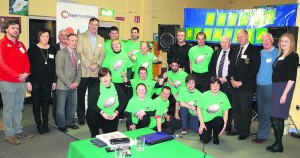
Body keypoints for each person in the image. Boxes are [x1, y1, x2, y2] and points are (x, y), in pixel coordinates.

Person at [0, 20, 33, 145]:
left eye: (17, 28)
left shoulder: (21, 45)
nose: (15, 30)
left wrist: (26, 73)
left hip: (21, 82)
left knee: (19, 108)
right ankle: (9, 134)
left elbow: (26, 61)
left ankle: (18, 130)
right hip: (7, 82)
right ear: (6, 29)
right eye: (13, 27)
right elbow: (2, 64)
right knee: (9, 109)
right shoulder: (1, 44)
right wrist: (17, 75)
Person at [266, 33, 299, 152]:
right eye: (282, 41)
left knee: (276, 116)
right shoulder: (281, 55)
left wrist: (284, 94)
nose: (283, 43)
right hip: (276, 87)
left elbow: (292, 77)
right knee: (276, 116)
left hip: (284, 88)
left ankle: (278, 144)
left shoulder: (293, 56)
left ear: (291, 43)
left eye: (286, 41)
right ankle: (277, 143)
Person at [228, 29, 261, 140]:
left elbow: (254, 69)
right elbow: (231, 66)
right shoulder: (236, 49)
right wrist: (232, 79)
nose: (239, 39)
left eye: (241, 36)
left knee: (245, 110)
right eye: (237, 37)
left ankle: (245, 131)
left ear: (247, 36)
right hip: (234, 85)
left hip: (246, 86)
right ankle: (237, 128)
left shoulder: (254, 50)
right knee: (236, 108)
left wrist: (241, 82)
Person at [26, 28, 56, 134]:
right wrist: (27, 81)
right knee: (36, 103)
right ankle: (38, 124)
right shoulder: (33, 49)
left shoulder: (52, 49)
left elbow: (54, 67)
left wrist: (54, 81)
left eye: (47, 36)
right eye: (42, 36)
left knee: (46, 103)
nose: (45, 38)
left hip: (48, 81)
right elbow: (26, 65)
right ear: (39, 37)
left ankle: (45, 123)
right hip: (35, 81)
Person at [76, 18, 105, 125]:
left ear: (98, 26)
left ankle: (92, 115)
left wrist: (96, 64)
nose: (94, 27)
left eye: (96, 25)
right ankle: (81, 116)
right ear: (88, 25)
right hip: (84, 71)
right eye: (92, 24)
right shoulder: (81, 37)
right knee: (81, 95)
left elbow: (103, 55)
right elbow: (79, 53)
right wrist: (89, 65)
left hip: (96, 72)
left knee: (94, 96)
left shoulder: (101, 39)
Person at [252, 33, 278, 143]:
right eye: (263, 40)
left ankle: (262, 136)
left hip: (270, 85)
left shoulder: (278, 52)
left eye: (267, 40)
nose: (265, 42)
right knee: (261, 111)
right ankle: (260, 131)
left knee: (267, 112)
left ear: (272, 41)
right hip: (259, 85)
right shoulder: (260, 53)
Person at [86, 68, 126, 137]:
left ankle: (103, 125)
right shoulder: (96, 87)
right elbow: (91, 103)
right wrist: (102, 113)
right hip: (98, 112)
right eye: (102, 77)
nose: (105, 79)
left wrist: (116, 113)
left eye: (107, 76)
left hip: (111, 114)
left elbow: (123, 101)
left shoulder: (116, 87)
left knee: (110, 135)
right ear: (100, 78)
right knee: (91, 114)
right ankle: (94, 134)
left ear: (111, 77)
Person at [55, 34, 82, 133]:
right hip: (63, 85)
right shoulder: (61, 53)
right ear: (67, 41)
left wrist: (77, 82)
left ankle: (69, 123)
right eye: (72, 40)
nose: (74, 43)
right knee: (61, 107)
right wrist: (69, 83)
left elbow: (79, 70)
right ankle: (61, 125)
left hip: (74, 85)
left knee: (73, 105)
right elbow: (59, 71)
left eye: (76, 41)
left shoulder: (78, 54)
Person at [208, 36, 234, 135]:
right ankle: (216, 125)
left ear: (230, 42)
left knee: (227, 105)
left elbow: (235, 69)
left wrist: (226, 78)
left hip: (227, 83)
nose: (224, 44)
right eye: (222, 42)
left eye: (226, 42)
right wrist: (215, 79)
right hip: (216, 83)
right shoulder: (216, 53)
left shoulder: (234, 53)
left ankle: (227, 127)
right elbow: (210, 67)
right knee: (215, 104)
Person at [197, 77, 231, 145]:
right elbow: (198, 109)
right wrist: (201, 124)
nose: (215, 87)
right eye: (213, 85)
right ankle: (208, 133)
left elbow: (226, 112)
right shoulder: (204, 95)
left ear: (220, 86)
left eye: (217, 85)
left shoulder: (223, 96)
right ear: (210, 86)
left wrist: (224, 127)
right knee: (205, 140)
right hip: (205, 120)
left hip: (217, 120)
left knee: (219, 120)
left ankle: (216, 136)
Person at [52, 29, 69, 125]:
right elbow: (52, 66)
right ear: (58, 37)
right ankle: (58, 120)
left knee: (68, 101)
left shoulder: (72, 48)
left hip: (69, 80)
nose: (63, 37)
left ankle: (66, 119)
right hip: (57, 79)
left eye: (65, 35)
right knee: (57, 101)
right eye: (61, 35)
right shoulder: (53, 48)